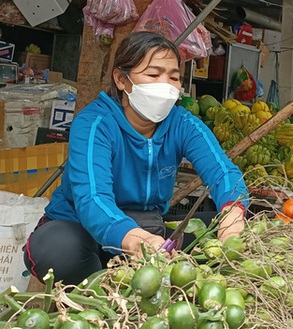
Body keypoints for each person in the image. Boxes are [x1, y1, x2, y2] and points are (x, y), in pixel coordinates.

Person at [24, 32, 248, 285]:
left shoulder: (182, 124)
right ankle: (95, 292)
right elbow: (92, 198)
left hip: (148, 228)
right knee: (59, 252)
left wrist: (233, 212)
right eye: (153, 75)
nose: (166, 85)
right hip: (80, 227)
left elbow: (222, 172)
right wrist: (131, 237)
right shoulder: (95, 123)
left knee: (240, 230)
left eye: (174, 77)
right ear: (121, 79)